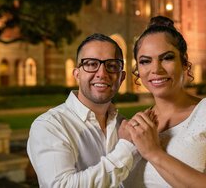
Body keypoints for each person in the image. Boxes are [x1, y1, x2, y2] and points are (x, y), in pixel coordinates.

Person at [123, 16, 206, 188]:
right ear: (138, 69)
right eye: (145, 61)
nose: (156, 69)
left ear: (184, 62)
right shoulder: (138, 125)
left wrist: (154, 153)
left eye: (167, 58)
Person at [27, 33, 138, 187]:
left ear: (122, 77)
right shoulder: (50, 126)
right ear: (77, 74)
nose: (102, 73)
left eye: (112, 66)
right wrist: (125, 148)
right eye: (91, 64)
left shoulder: (124, 127)